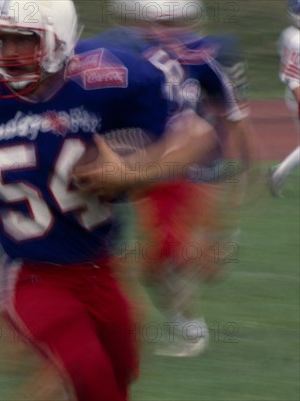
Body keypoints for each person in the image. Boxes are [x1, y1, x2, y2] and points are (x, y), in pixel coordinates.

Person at [0, 1, 217, 400]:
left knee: (121, 376)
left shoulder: (113, 75)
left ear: (59, 43)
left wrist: (136, 172)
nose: (4, 53)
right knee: (91, 379)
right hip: (33, 275)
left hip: (102, 271)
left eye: (21, 41)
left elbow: (199, 136)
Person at [83, 0, 257, 357]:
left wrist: (238, 171)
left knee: (158, 260)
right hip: (141, 163)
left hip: (182, 164)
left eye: (169, 21)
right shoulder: (118, 53)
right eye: (153, 22)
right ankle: (186, 315)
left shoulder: (201, 55)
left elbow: (234, 116)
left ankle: (190, 320)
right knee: (143, 260)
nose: (161, 30)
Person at [268, 0, 300, 197]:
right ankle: (278, 172)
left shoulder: (288, 34)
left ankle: (279, 172)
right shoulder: (296, 39)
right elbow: (294, 78)